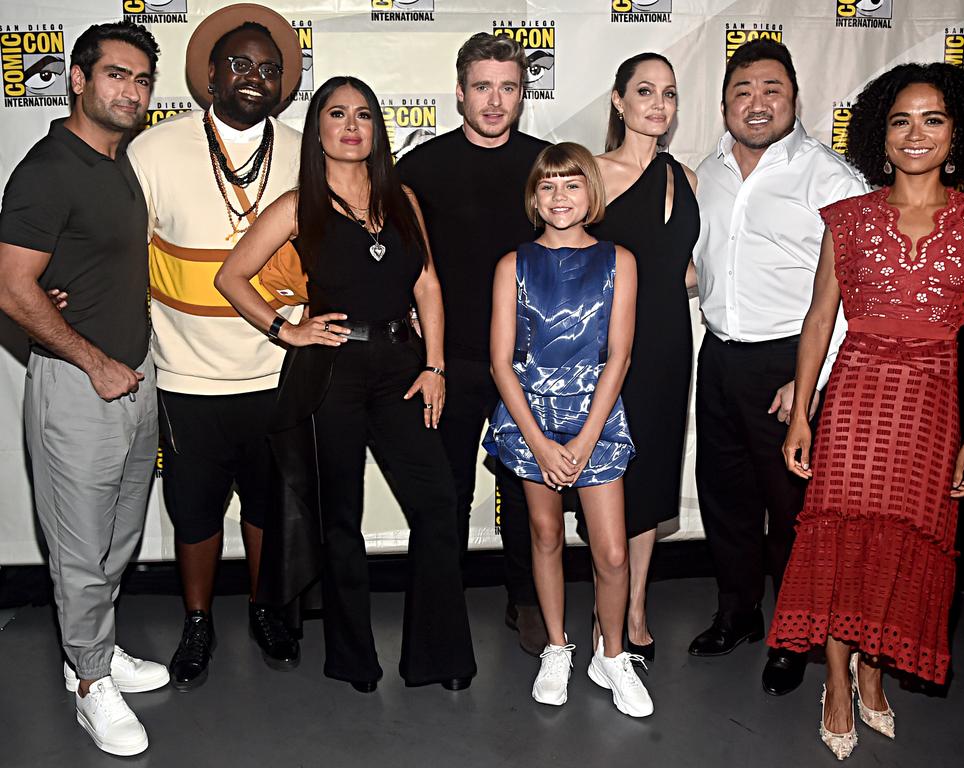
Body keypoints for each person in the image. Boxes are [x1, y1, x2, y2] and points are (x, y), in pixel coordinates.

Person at [767, 62, 964, 760]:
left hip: (933, 403)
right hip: (857, 398)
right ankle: (839, 681)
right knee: (848, 541)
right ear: (881, 132)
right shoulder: (848, 219)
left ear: (955, 132)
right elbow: (820, 319)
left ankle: (874, 669)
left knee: (904, 542)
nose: (916, 133)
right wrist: (800, 413)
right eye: (901, 119)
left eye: (933, 118)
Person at [215, 76, 476, 693]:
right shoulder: (297, 204)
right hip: (332, 370)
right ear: (319, 130)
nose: (352, 125)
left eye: (363, 114)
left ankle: (439, 657)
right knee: (341, 519)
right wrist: (287, 331)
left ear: (377, 128)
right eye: (337, 114)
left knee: (439, 505)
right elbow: (232, 277)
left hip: (402, 368)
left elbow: (428, 285)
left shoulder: (402, 198)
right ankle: (353, 659)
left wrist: (435, 365)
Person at [0, 21, 167, 756]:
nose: (130, 91)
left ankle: (89, 653)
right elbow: (11, 287)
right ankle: (91, 682)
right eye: (116, 75)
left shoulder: (119, 161)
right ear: (77, 77)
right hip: (78, 385)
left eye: (141, 79)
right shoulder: (47, 167)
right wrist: (90, 360)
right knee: (79, 546)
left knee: (119, 536)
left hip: (136, 378)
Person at [126, 3, 303, 689]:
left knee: (264, 505)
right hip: (186, 374)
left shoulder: (302, 149)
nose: (254, 77)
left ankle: (263, 608)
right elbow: (122, 256)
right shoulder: (154, 150)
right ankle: (197, 621)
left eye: (269, 68)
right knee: (194, 510)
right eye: (239, 63)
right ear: (208, 73)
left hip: (277, 371)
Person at [689, 39, 869, 697]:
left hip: (790, 360)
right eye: (742, 90)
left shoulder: (830, 178)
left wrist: (811, 378)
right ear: (724, 102)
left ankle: (794, 640)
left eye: (771, 89)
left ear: (795, 98)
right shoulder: (705, 172)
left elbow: (859, 288)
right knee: (726, 498)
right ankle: (737, 614)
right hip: (719, 356)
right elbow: (705, 262)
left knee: (791, 511)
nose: (756, 102)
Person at [397, 32, 551, 656]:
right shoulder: (420, 168)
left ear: (522, 94)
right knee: (446, 491)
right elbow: (395, 258)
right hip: (450, 358)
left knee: (526, 488)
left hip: (533, 360)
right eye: (482, 88)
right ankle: (441, 606)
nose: (494, 101)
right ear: (459, 94)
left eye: (507, 88)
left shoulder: (549, 166)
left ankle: (528, 601)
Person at [486, 142, 651, 717]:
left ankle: (612, 655)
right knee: (545, 537)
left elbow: (620, 357)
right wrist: (538, 441)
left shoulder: (619, 260)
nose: (560, 196)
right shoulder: (513, 264)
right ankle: (557, 647)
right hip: (531, 419)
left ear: (592, 193)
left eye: (572, 184)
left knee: (610, 553)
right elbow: (500, 363)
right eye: (549, 185)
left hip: (596, 418)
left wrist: (583, 440)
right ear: (534, 196)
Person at [579, 51, 700, 659]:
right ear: (619, 101)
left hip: (669, 344)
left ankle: (635, 607)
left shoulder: (686, 178)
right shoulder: (589, 174)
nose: (659, 104)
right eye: (645, 92)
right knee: (612, 475)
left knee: (651, 476)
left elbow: (683, 269)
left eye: (669, 94)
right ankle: (606, 606)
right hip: (603, 348)